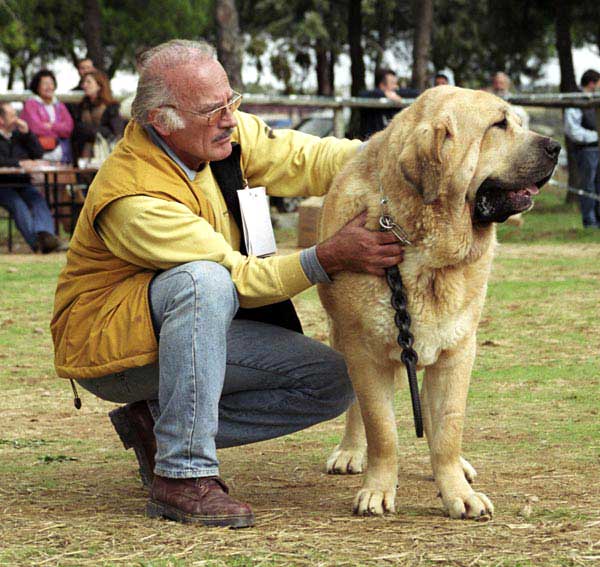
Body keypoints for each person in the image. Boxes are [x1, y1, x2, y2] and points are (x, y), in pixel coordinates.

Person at [50, 39, 405, 529]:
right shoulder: (133, 195)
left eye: (231, 100)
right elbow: (237, 280)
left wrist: (401, 155)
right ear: (161, 119)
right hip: (111, 353)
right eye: (213, 109)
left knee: (335, 382)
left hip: (182, 330)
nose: (230, 117)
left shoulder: (222, 138)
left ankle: (156, 428)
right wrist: (328, 255)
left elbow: (315, 158)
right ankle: (182, 475)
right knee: (203, 281)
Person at [0, 102, 63, 253]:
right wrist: (20, 163)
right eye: (12, 115)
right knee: (18, 205)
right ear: (1, 120)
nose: (17, 119)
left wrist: (28, 133)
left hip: (23, 183)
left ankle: (46, 237)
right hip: (2, 186)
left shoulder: (20, 136)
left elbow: (38, 154)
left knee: (38, 200)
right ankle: (38, 244)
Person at [564, 69, 600, 228]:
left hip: (596, 149)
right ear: (592, 82)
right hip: (585, 150)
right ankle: (590, 222)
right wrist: (596, 137)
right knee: (588, 186)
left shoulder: (594, 99)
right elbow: (572, 130)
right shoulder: (576, 100)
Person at [71, 70, 125, 163]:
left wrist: (92, 131)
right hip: (83, 155)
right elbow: (76, 130)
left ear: (99, 85)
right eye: (83, 82)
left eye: (88, 82)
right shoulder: (81, 107)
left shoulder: (112, 107)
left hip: (105, 155)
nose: (84, 85)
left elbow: (116, 133)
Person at [20, 70, 74, 163]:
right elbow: (36, 128)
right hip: (40, 154)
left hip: (62, 154)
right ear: (37, 87)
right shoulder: (31, 104)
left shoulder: (59, 105)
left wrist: (51, 126)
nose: (49, 87)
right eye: (45, 84)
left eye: (51, 83)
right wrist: (60, 129)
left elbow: (69, 128)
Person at [358, 68, 403, 140]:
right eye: (392, 83)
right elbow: (362, 95)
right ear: (382, 85)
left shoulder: (396, 98)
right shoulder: (371, 97)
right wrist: (385, 94)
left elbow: (415, 93)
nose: (396, 87)